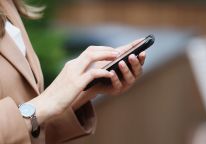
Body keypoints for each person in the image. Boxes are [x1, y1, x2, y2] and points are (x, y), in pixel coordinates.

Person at [0, 0, 146, 143]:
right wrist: (45, 103)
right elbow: (35, 111)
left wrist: (82, 90)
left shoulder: (8, 4)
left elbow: (24, 133)